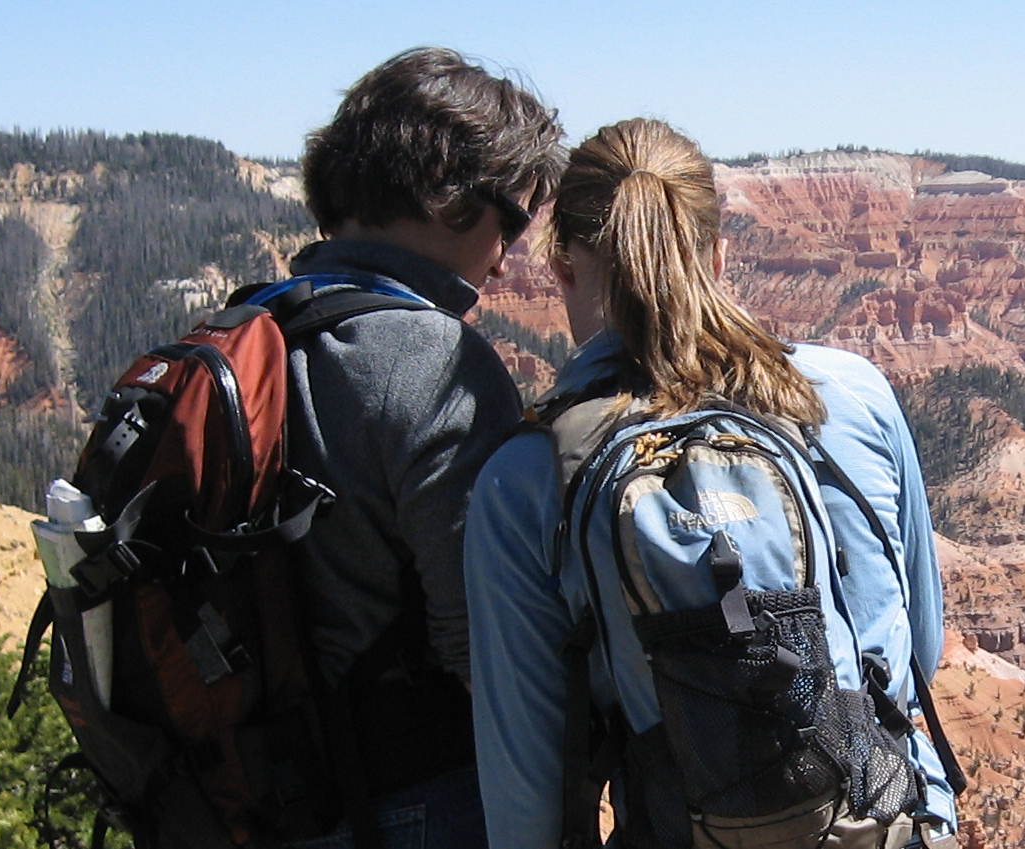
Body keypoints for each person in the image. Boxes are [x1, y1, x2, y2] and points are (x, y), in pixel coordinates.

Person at [463, 119, 957, 847]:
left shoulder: (528, 477)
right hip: (888, 824)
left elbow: (528, 799)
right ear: (719, 256)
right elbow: (922, 645)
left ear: (561, 266)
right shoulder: (854, 394)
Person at [270, 46, 563, 848]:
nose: (506, 260)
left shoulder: (260, 327)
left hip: (261, 793)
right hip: (412, 798)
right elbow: (487, 643)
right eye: (512, 220)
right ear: (453, 198)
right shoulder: (431, 358)